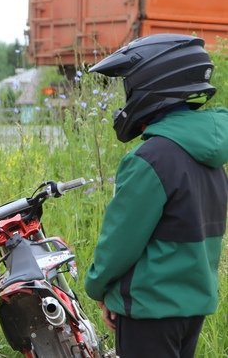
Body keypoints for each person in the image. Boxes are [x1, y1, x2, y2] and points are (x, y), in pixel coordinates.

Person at [84, 34, 228, 358]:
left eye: (129, 89)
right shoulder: (209, 155)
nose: (125, 100)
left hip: (150, 307)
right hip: (192, 306)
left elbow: (120, 241)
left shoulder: (151, 158)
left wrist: (98, 287)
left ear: (152, 84)